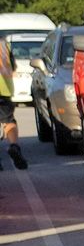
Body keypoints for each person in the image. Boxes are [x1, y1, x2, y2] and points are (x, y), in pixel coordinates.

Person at [0, 39, 29, 169]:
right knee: (8, 120)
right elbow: (12, 66)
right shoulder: (4, 44)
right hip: (4, 88)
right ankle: (14, 146)